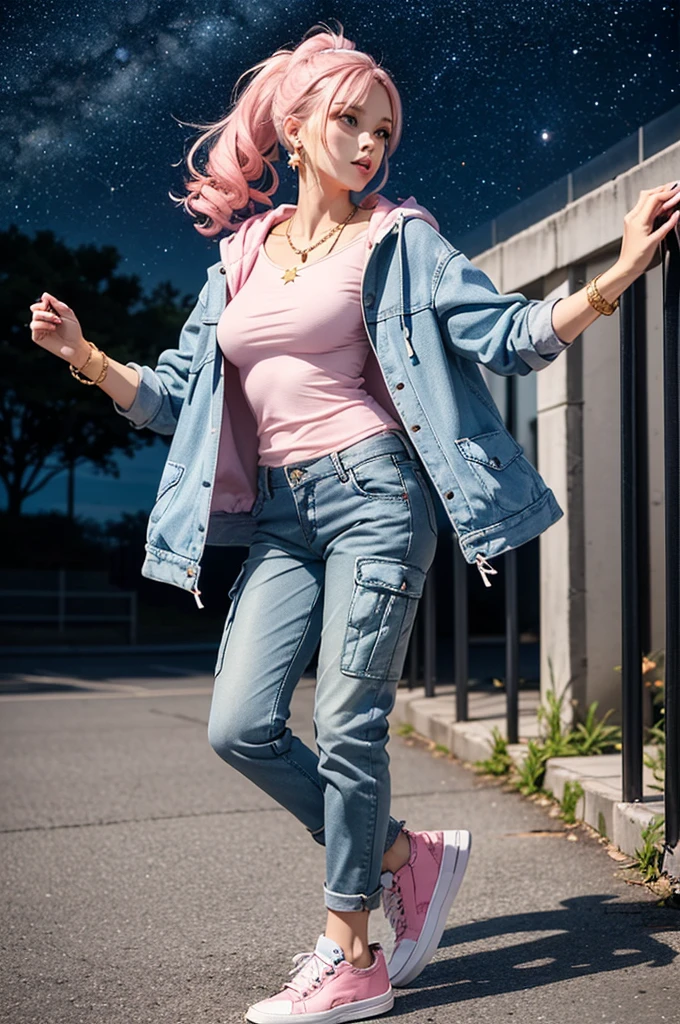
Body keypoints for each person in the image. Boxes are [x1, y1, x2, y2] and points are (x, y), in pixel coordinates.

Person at [29, 20, 679, 1024]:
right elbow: (175, 395)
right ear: (294, 128)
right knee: (239, 725)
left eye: (384, 130)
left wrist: (615, 274)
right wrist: (83, 355)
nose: (370, 143)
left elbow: (504, 336)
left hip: (377, 496)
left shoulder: (400, 237)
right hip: (283, 515)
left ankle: (352, 951)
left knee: (346, 724)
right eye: (349, 121)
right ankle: (399, 854)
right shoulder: (240, 255)